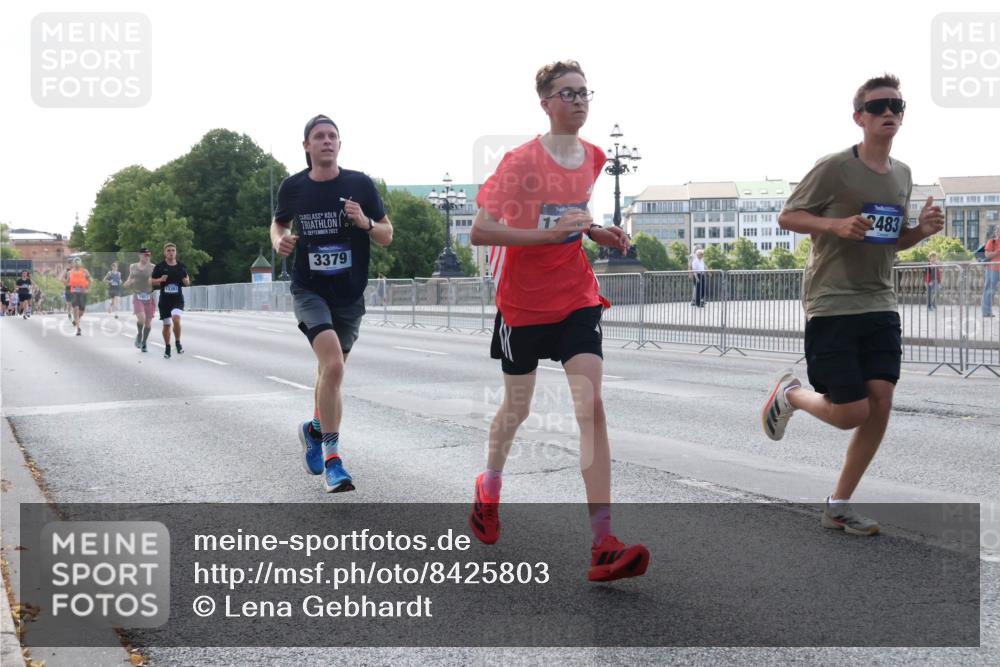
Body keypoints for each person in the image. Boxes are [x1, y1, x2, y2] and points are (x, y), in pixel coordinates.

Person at [469, 60, 649, 582]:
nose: (578, 100)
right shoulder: (520, 161)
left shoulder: (594, 157)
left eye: (584, 92)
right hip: (523, 304)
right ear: (545, 103)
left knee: (591, 405)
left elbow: (573, 213)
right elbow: (481, 231)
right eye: (567, 93)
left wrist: (597, 232)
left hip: (575, 296)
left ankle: (603, 544)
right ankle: (489, 486)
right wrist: (546, 238)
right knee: (517, 409)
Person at [761, 74, 945, 535]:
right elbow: (787, 215)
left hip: (880, 299)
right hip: (833, 299)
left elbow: (889, 242)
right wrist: (836, 225)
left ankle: (839, 504)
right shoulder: (835, 167)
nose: (889, 112)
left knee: (881, 401)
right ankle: (791, 395)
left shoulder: (902, 174)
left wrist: (921, 231)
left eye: (896, 105)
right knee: (851, 413)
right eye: (878, 105)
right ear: (859, 117)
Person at [271, 114, 394, 493]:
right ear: (307, 146)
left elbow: (387, 235)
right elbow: (279, 224)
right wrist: (280, 241)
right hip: (309, 289)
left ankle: (313, 429)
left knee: (330, 374)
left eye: (332, 136)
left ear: (340, 144)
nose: (326, 141)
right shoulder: (293, 188)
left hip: (349, 295)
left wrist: (365, 224)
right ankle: (333, 460)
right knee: (334, 366)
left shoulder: (359, 185)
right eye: (319, 137)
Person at [151, 243, 191, 359]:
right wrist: (160, 279)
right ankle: (168, 347)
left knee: (176, 319)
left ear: (176, 252)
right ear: (165, 252)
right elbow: (151, 281)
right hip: (165, 300)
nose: (171, 252)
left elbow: (187, 282)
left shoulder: (181, 267)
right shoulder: (160, 267)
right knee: (167, 325)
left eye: (173, 250)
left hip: (177, 299)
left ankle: (178, 342)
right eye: (168, 250)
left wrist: (186, 281)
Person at [124, 248, 156, 352]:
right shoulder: (133, 266)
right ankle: (139, 334)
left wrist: (152, 281)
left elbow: (154, 280)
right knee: (141, 318)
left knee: (148, 323)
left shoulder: (152, 267)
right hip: (138, 296)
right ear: (140, 255)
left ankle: (144, 343)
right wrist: (128, 282)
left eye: (149, 255)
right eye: (145, 255)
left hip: (149, 296)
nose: (147, 257)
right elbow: (130, 278)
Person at [64, 259, 92, 335]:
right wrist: (66, 282)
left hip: (83, 293)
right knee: (76, 309)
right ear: (73, 264)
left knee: (82, 311)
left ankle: (76, 320)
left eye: (78, 263)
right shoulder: (70, 272)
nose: (76, 264)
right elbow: (66, 282)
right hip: (73, 293)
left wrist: (88, 289)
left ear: (80, 263)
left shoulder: (85, 271)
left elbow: (90, 280)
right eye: (75, 263)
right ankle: (78, 328)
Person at [981, 226, 1000, 318]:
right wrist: (997, 252)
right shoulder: (991, 242)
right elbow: (987, 255)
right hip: (992, 270)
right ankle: (986, 312)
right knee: (989, 291)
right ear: (997, 232)